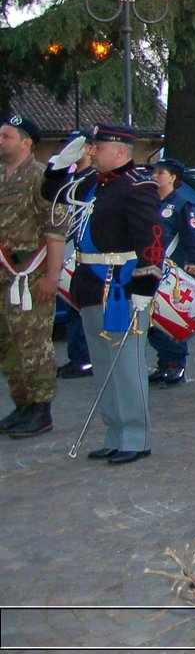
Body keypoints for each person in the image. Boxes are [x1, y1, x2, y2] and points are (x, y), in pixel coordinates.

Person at [39, 124, 163, 462]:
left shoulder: (138, 186)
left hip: (122, 286)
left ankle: (136, 438)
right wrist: (57, 164)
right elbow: (53, 195)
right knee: (104, 364)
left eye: (98, 147)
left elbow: (151, 240)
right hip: (91, 282)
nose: (92, 152)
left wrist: (145, 286)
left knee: (126, 365)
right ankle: (115, 433)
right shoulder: (93, 184)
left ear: (121, 151)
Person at [0, 116, 59, 438]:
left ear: (25, 143)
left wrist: (52, 275)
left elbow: (55, 230)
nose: (0, 141)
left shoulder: (41, 178)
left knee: (33, 343)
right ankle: (21, 404)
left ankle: (41, 409)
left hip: (29, 274)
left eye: (6, 136)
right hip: (2, 273)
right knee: (6, 344)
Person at [145, 159, 195, 387]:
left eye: (161, 173)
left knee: (169, 317)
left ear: (173, 178)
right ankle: (164, 362)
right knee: (151, 320)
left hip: (171, 270)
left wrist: (193, 260)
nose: (155, 176)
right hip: (150, 269)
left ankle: (176, 364)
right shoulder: (149, 203)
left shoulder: (180, 205)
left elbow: (190, 236)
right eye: (154, 172)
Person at [52, 131, 96, 378]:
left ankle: (85, 359)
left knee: (83, 308)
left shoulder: (92, 179)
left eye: (74, 146)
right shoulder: (71, 177)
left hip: (86, 251)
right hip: (69, 247)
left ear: (90, 149)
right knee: (72, 307)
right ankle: (77, 357)